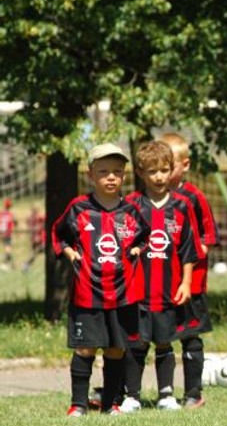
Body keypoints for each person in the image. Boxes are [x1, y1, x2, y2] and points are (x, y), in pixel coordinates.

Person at [51, 143, 150, 416]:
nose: (110, 177)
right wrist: (70, 253)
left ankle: (110, 404)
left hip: (123, 293)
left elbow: (145, 236)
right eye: (104, 171)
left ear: (124, 175)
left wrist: (137, 249)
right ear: (90, 174)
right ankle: (78, 404)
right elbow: (59, 235)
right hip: (87, 292)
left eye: (117, 172)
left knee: (116, 350)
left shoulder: (131, 211)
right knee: (85, 349)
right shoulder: (79, 208)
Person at [121, 141, 204, 412]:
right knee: (136, 342)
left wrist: (186, 282)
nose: (159, 177)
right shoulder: (131, 205)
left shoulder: (181, 206)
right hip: (138, 289)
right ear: (141, 172)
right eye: (153, 171)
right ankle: (131, 395)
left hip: (169, 290)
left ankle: (166, 394)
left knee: (165, 341)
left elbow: (189, 250)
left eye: (165, 170)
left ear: (172, 171)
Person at [158, 132, 220, 408]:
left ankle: (193, 393)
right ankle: (163, 393)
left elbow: (207, 239)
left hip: (191, 283)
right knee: (160, 337)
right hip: (160, 285)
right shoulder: (153, 199)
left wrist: (185, 259)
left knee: (190, 336)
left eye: (169, 165)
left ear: (185, 165)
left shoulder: (193, 197)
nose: (163, 172)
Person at [22, 205, 46, 272]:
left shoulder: (30, 218)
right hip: (39, 239)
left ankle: (26, 265)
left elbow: (27, 223)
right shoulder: (39, 217)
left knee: (34, 253)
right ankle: (26, 265)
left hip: (35, 238)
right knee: (35, 253)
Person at [0, 198, 15, 270]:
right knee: (8, 248)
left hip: (1, 232)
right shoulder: (10, 214)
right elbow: (11, 224)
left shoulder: (1, 213)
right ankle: (5, 263)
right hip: (7, 233)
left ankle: (9, 263)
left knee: (7, 248)